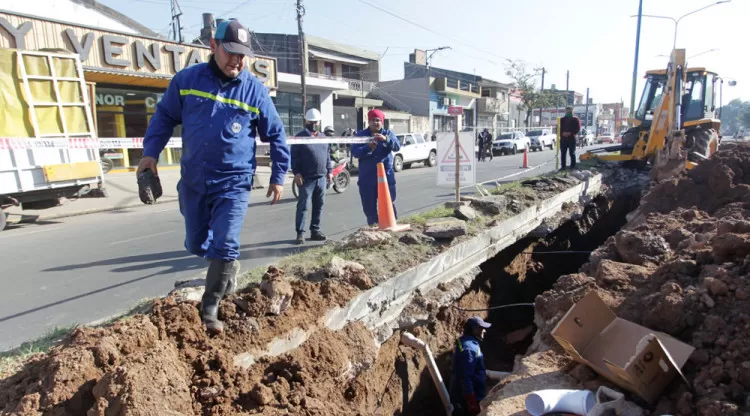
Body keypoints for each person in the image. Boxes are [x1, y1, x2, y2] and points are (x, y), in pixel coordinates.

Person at [139, 19, 290, 334]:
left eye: (242, 55)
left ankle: (210, 309)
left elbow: (276, 134)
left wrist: (278, 174)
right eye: (231, 52)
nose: (237, 60)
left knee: (225, 242)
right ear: (213, 46)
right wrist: (151, 153)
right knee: (197, 243)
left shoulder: (255, 90)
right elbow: (164, 117)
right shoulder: (187, 81)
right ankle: (225, 265)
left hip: (234, 183)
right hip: (193, 180)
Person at [351, 109, 401, 226]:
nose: (375, 123)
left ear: (382, 122)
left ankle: (391, 225)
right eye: (372, 120)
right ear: (368, 122)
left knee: (388, 202)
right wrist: (368, 148)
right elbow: (355, 153)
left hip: (386, 177)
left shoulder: (388, 133)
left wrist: (386, 140)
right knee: (369, 206)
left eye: (378, 120)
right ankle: (374, 228)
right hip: (367, 178)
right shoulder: (361, 135)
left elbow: (397, 146)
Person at [292, 109, 332, 245]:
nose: (314, 124)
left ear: (319, 122)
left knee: (319, 205)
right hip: (306, 178)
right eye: (311, 122)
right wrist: (296, 172)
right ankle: (300, 233)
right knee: (303, 206)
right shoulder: (299, 137)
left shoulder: (323, 138)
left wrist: (330, 172)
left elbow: (327, 156)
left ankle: (315, 230)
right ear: (306, 121)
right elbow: (294, 158)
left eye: (316, 122)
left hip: (321, 177)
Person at [449, 316, 491, 416]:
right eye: (481, 328)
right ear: (474, 329)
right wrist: (471, 401)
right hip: (466, 399)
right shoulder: (469, 349)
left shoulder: (468, 342)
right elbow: (465, 378)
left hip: (469, 394)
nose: (484, 331)